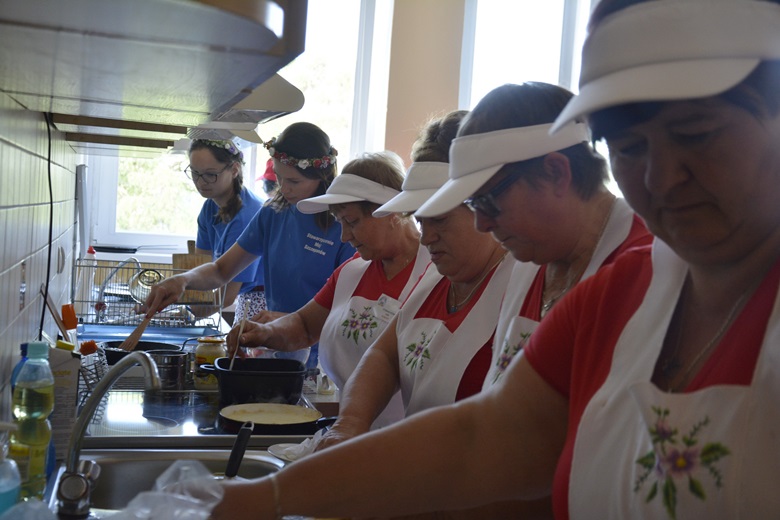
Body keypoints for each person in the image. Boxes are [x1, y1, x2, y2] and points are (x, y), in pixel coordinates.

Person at [197, 1, 780, 518]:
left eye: (699, 133)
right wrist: (269, 498)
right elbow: (484, 437)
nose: (659, 176)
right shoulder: (623, 291)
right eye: (629, 147)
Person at [415, 82, 651, 389]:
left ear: (555, 173)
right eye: (472, 204)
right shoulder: (530, 258)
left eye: (486, 201)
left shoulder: (645, 268)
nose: (481, 224)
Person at [308, 109, 515, 451]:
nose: (427, 237)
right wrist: (350, 425)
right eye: (421, 221)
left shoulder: (519, 281)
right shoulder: (437, 279)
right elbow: (384, 356)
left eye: (441, 221)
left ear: (485, 207)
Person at [229, 150, 431, 428]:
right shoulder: (353, 272)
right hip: (355, 429)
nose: (345, 236)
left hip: (412, 434)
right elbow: (304, 326)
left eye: (352, 222)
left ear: (390, 211)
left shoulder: (437, 272)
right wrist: (263, 333)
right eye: (340, 223)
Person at [145, 122, 356, 369]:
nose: (284, 188)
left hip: (326, 360)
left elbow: (348, 311)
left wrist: (293, 321)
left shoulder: (343, 224)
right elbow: (221, 270)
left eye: (294, 181)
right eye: (278, 177)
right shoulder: (274, 213)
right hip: (280, 350)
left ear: (320, 176)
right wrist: (183, 280)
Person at [185, 139, 265, 323]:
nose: (200, 182)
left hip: (264, 302)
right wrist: (187, 301)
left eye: (210, 174)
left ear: (234, 169)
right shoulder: (209, 208)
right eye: (195, 173)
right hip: (246, 300)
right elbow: (201, 267)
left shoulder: (247, 215)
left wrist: (189, 313)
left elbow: (227, 295)